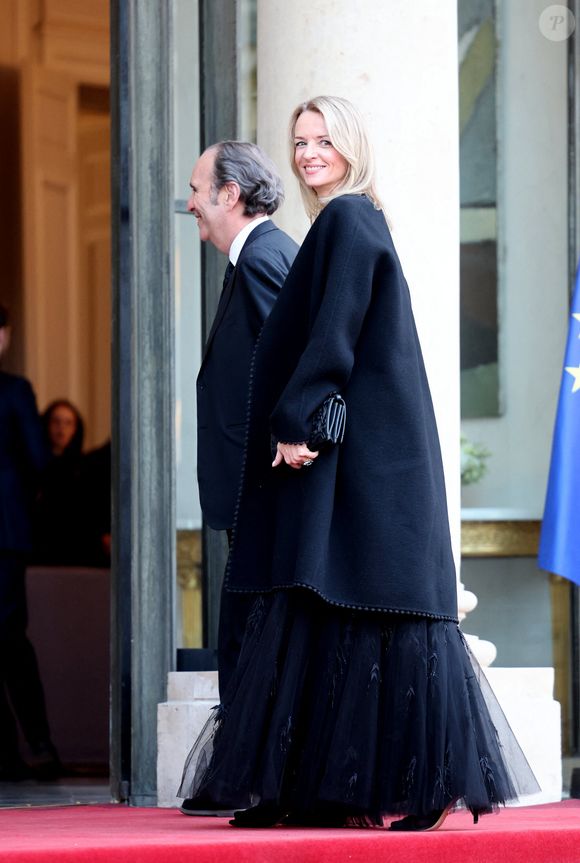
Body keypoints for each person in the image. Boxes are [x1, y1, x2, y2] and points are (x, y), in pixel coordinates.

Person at [178, 96, 539, 830]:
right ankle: (318, 790)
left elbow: (335, 332)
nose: (309, 153)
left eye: (324, 140)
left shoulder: (347, 218)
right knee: (340, 604)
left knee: (376, 608)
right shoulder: (342, 223)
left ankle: (404, 788)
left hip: (363, 458)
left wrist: (294, 416)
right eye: (300, 141)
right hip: (363, 456)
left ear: (350, 147)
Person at [188, 142, 298, 693]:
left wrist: (292, 436)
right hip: (255, 488)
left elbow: (302, 358)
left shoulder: (260, 259)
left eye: (195, 190)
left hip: (262, 488)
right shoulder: (256, 257)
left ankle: (253, 774)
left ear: (229, 195)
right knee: (244, 645)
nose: (191, 205)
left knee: (247, 649)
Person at [0, 304, 60, 780]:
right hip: (6, 532)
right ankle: (36, 746)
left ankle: (25, 749)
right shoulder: (14, 391)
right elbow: (40, 460)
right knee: (10, 640)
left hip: (7, 533)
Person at [33, 399, 87, 566]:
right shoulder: (33, 466)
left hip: (74, 550)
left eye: (68, 423)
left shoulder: (84, 469)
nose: (61, 429)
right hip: (40, 547)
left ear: (76, 429)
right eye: (56, 422)